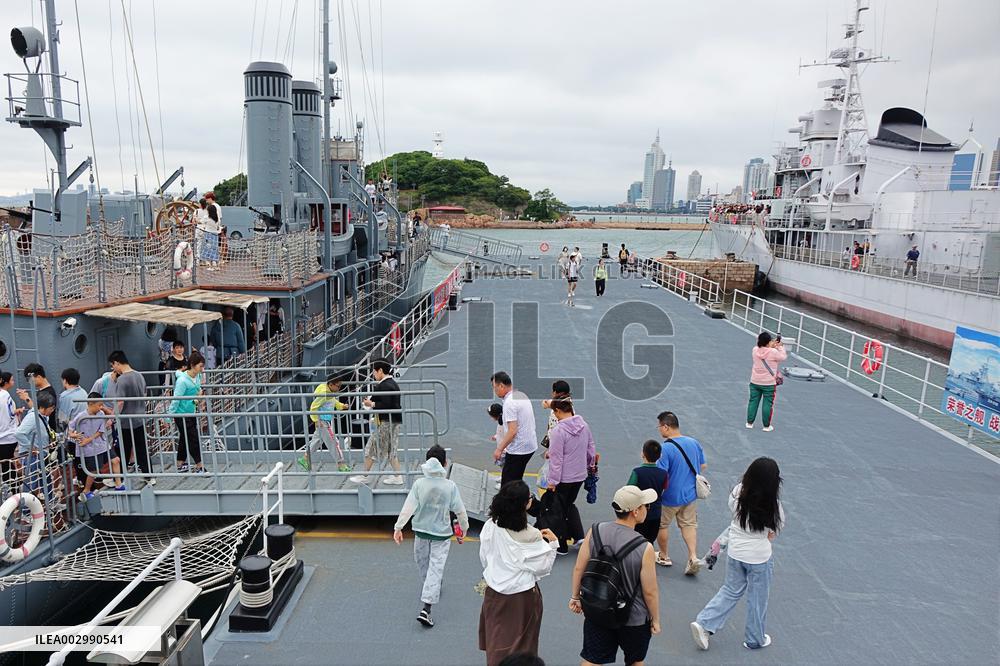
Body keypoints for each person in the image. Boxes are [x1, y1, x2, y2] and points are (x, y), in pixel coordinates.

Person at [690, 457, 784, 652]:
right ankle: (754, 639)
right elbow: (773, 533)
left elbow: (732, 510)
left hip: (735, 552)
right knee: (758, 598)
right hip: (759, 558)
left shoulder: (737, 492)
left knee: (730, 590)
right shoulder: (774, 506)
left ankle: (704, 623)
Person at [569, 485, 661, 666]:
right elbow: (650, 592)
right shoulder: (644, 547)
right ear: (635, 511)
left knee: (591, 659)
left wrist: (575, 597)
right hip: (633, 617)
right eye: (645, 506)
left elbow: (579, 568)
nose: (647, 509)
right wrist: (655, 619)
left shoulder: (595, 531)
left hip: (598, 610)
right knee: (635, 661)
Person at [478, 480, 558, 666]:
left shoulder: (490, 525)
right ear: (524, 504)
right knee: (523, 646)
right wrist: (553, 544)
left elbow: (485, 557)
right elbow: (543, 567)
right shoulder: (532, 535)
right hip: (522, 597)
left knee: (496, 642)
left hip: (494, 592)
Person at [393, 444, 470, 628]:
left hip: (421, 531)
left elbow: (408, 507)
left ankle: (428, 599)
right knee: (436, 567)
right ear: (445, 463)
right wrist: (463, 529)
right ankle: (428, 603)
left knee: (422, 562)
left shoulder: (419, 484)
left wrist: (398, 527)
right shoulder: (450, 486)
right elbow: (460, 511)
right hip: (441, 535)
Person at [655, 411, 706, 575]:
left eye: (659, 426)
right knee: (689, 525)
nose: (659, 430)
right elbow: (702, 466)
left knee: (662, 525)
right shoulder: (693, 442)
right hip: (690, 495)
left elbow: (661, 474)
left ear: (666, 427)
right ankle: (693, 556)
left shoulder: (665, 448)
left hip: (669, 497)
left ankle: (664, 555)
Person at [545, 398, 596, 554]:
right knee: (568, 505)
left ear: (558, 411)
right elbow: (591, 449)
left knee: (557, 511)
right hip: (579, 475)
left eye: (554, 412)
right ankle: (577, 536)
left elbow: (556, 459)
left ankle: (561, 545)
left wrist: (552, 481)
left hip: (563, 478)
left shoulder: (558, 431)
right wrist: (590, 467)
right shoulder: (584, 426)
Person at [350, 359, 404, 485]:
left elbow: (385, 404)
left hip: (385, 422)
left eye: (374, 371)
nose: (373, 374)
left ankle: (364, 476)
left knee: (371, 448)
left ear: (380, 370)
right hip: (394, 421)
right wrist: (371, 402)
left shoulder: (384, 386)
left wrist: (371, 404)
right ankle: (398, 477)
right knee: (391, 450)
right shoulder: (392, 384)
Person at [68, 393, 124, 496]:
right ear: (90, 404)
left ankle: (118, 485)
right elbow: (70, 428)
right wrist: (74, 435)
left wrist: (88, 439)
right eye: (99, 405)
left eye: (102, 405)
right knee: (93, 471)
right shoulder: (81, 416)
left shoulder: (101, 414)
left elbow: (101, 431)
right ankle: (86, 491)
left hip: (101, 444)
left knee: (116, 460)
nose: (101, 407)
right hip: (89, 449)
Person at [108, 351, 151, 481]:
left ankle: (119, 478)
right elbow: (144, 394)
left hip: (126, 421)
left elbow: (120, 402)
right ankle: (149, 476)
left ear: (117, 363)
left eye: (112, 365)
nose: (113, 369)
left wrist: (111, 418)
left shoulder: (122, 380)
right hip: (140, 418)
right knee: (141, 449)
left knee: (123, 450)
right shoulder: (139, 375)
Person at [491, 371, 538, 487]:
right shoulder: (520, 395)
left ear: (501, 386)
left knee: (508, 483)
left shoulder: (509, 403)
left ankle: (517, 498)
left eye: (494, 387)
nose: (494, 391)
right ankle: (521, 496)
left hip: (519, 449)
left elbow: (512, 431)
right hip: (530, 445)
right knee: (516, 478)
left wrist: (499, 449)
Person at [299, 372, 351, 472]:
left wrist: (341, 406)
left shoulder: (329, 392)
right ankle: (341, 464)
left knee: (316, 442)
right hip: (323, 422)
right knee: (334, 442)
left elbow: (333, 401)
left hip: (323, 421)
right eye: (338, 386)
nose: (339, 388)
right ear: (331, 384)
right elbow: (313, 407)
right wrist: (316, 420)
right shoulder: (324, 394)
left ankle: (305, 458)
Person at [14, 391, 56, 498]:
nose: (52, 411)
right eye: (51, 408)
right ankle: (26, 507)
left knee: (46, 480)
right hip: (32, 456)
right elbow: (19, 433)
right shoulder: (33, 418)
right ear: (42, 408)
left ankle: (50, 501)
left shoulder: (42, 416)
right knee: (31, 483)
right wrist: (31, 447)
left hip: (41, 454)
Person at [170, 350, 205, 473]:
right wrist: (169, 416)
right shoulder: (182, 381)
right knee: (192, 438)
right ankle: (200, 466)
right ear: (192, 365)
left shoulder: (198, 376)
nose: (202, 369)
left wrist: (197, 398)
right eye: (200, 366)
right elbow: (176, 400)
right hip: (181, 414)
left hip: (191, 411)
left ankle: (180, 463)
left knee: (185, 438)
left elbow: (197, 390)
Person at [627, 440, 669, 543]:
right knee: (650, 541)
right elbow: (665, 488)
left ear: (643, 454)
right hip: (656, 513)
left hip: (638, 514)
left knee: (636, 541)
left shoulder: (637, 472)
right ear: (660, 456)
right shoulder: (664, 474)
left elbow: (629, 489)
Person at [747, 332, 787, 432]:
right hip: (768, 383)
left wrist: (771, 345)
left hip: (755, 381)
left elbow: (763, 349)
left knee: (753, 401)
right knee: (767, 404)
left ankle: (749, 423)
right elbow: (783, 357)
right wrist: (780, 347)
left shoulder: (755, 350)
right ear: (768, 342)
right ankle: (766, 426)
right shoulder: (773, 352)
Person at [17, 363, 59, 433]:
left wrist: (27, 399)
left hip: (47, 431)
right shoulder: (43, 391)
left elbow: (40, 412)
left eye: (29, 379)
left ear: (39, 377)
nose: (29, 382)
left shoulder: (48, 393)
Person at [0, 371, 21, 477]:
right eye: (12, 380)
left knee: (6, 466)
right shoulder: (5, 395)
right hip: (8, 435)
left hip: (4, 437)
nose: (13, 381)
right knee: (7, 465)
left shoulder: (3, 395)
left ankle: (13, 485)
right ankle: (15, 484)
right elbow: (8, 414)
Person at [58, 368, 88, 432]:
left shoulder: (65, 396)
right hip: (86, 430)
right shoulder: (84, 392)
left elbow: (62, 421)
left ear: (65, 381)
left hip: (73, 433)